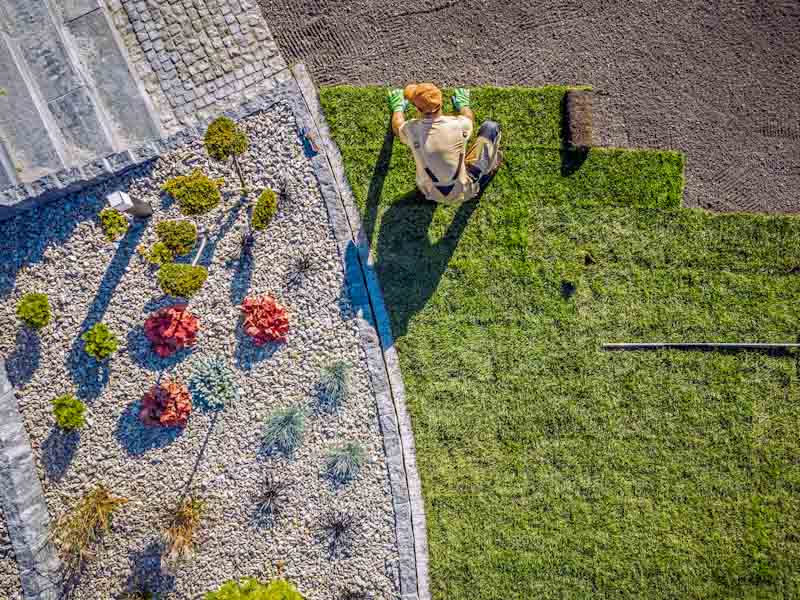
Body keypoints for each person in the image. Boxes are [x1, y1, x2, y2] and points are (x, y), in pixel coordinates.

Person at [387, 83, 502, 205]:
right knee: (490, 127)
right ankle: (487, 170)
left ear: (417, 108)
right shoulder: (460, 124)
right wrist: (463, 105)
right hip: (463, 191)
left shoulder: (411, 130)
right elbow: (468, 118)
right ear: (441, 103)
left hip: (428, 191)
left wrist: (398, 108)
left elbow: (397, 125)